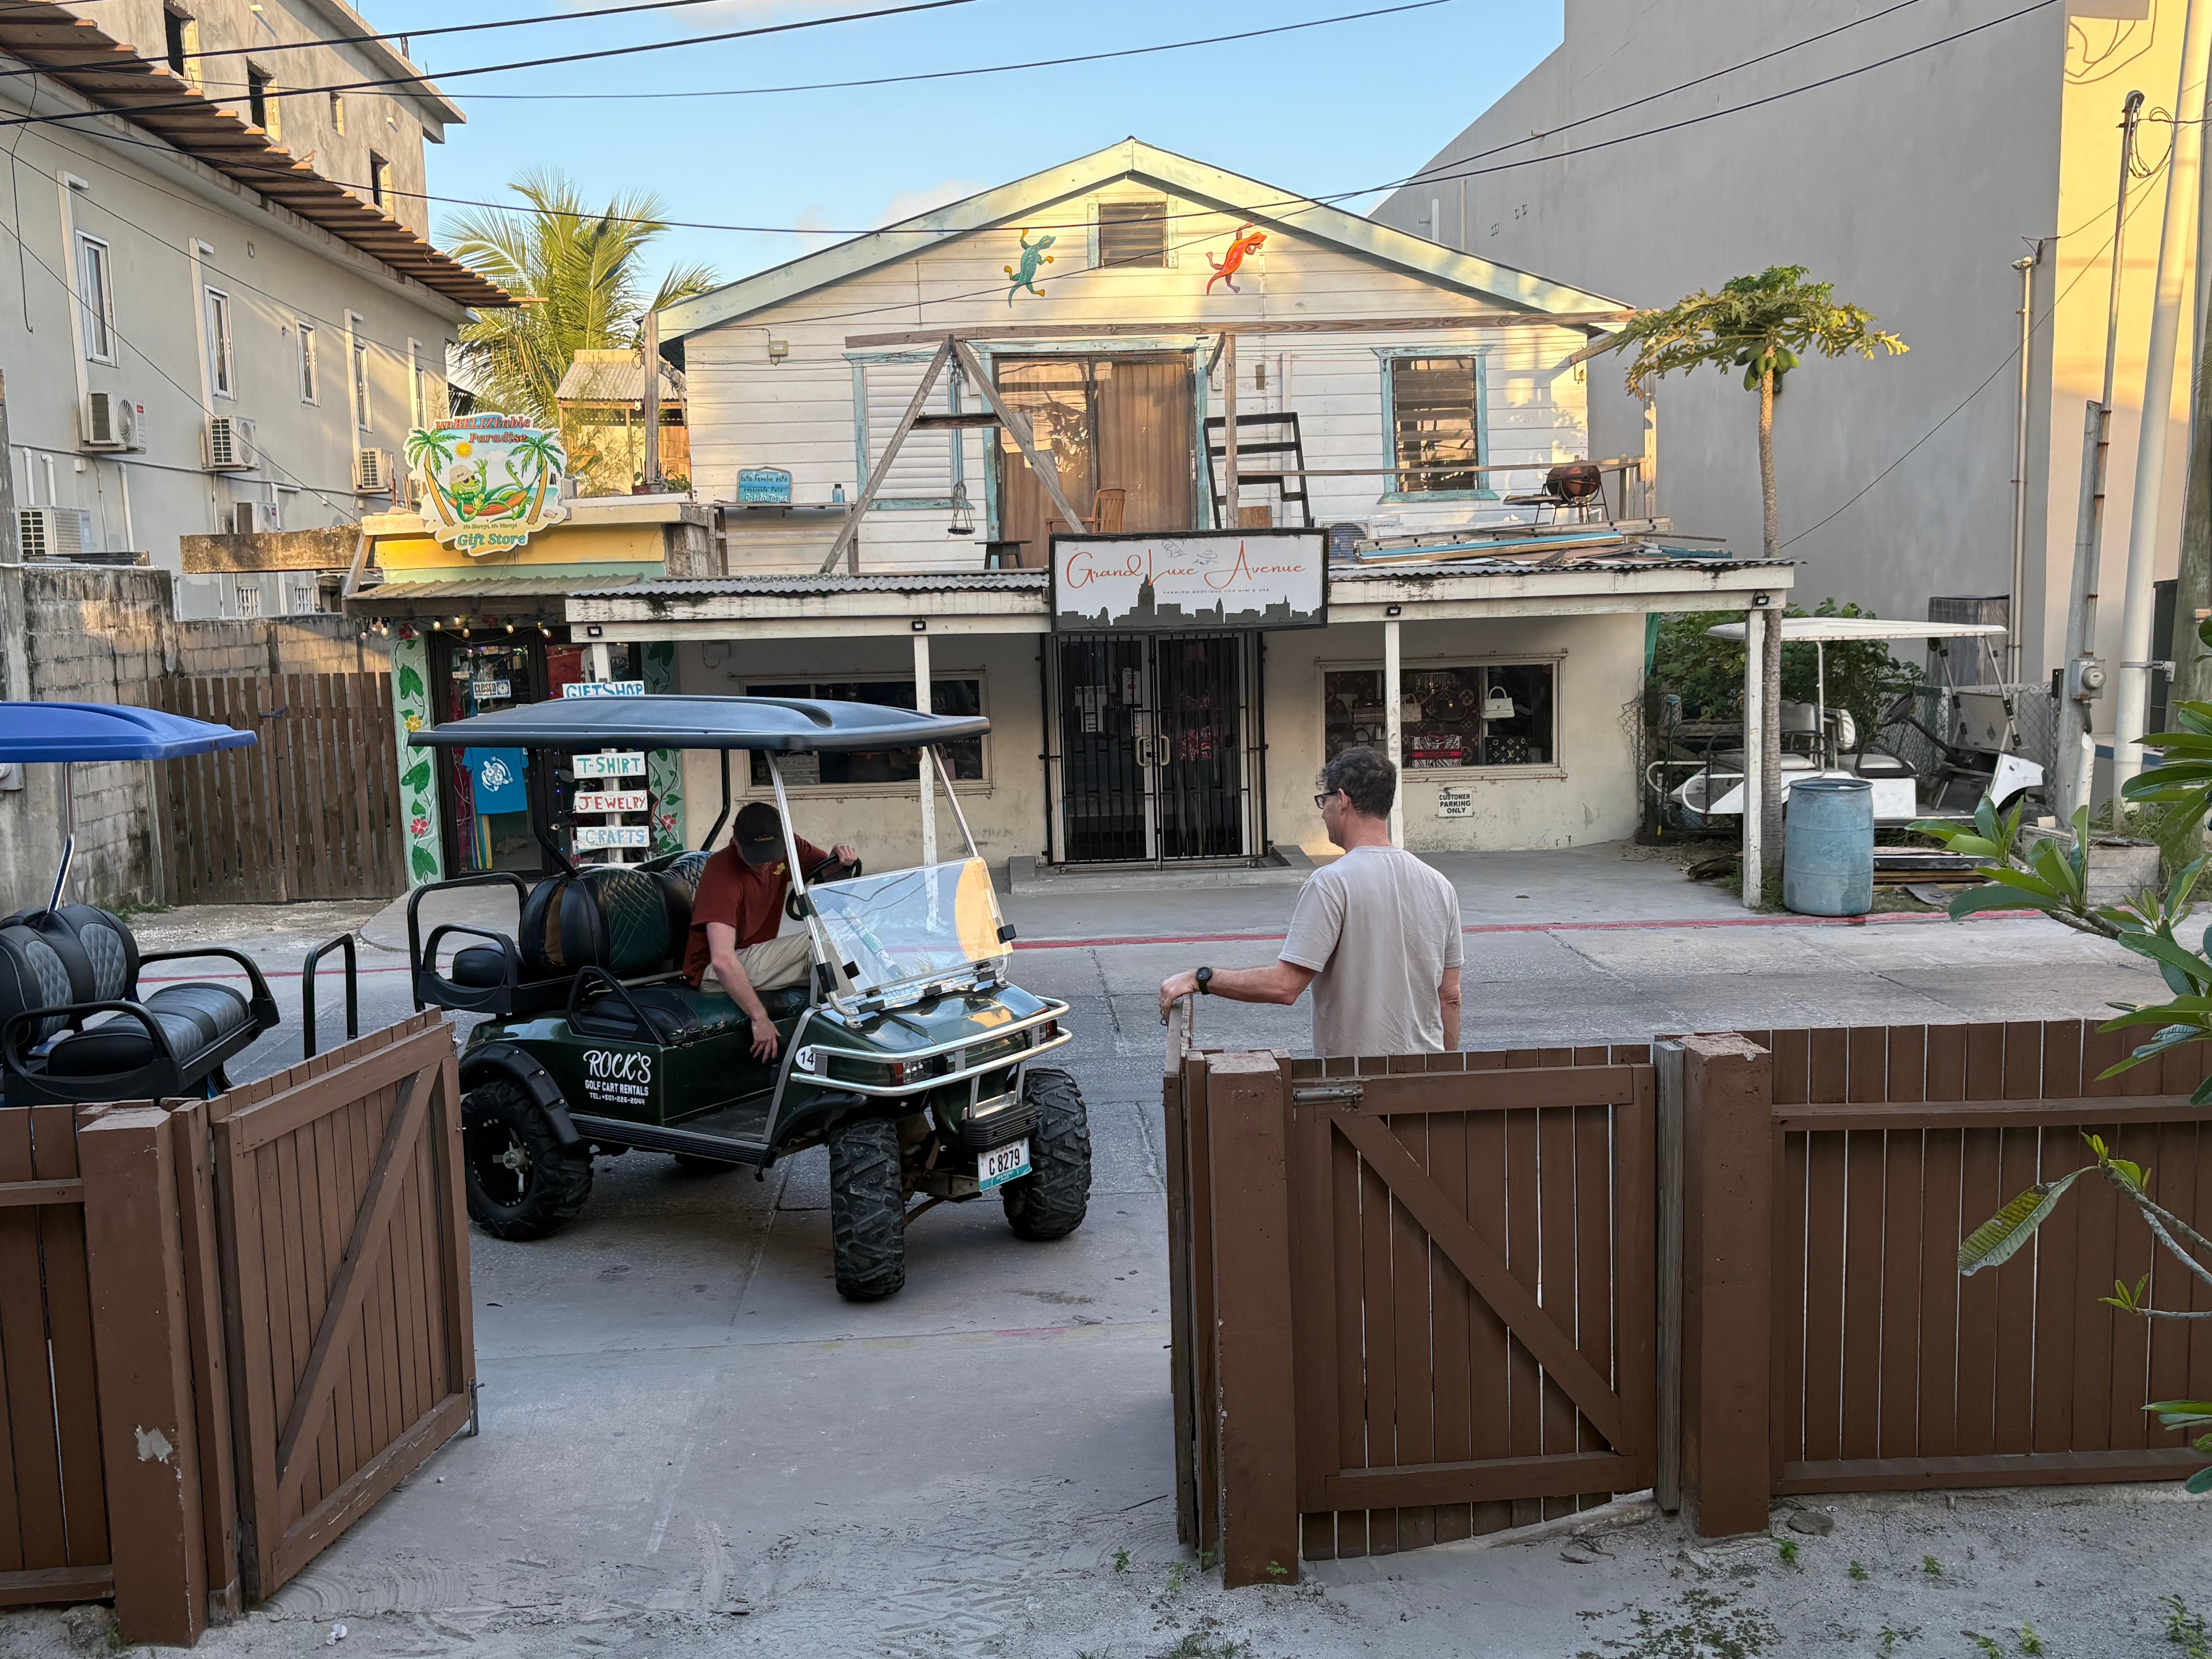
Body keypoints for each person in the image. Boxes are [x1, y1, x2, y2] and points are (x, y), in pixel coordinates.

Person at [1157, 747, 1462, 1057]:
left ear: (1342, 801)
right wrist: (1446, 1075)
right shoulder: (1440, 885)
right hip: (1428, 1076)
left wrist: (1201, 978)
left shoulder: (1332, 883)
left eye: (1324, 800)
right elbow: (1450, 997)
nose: (1323, 812)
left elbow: (1285, 986)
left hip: (1355, 1079)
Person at [683, 801, 859, 1062]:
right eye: (757, 856)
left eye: (770, 855)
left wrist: (841, 855)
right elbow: (722, 961)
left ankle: (852, 1027)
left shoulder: (790, 846)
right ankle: (859, 1029)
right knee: (817, 944)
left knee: (841, 937)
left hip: (757, 958)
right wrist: (759, 1018)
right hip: (714, 971)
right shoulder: (721, 872)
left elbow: (829, 870)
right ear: (736, 842)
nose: (764, 863)